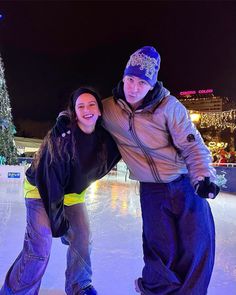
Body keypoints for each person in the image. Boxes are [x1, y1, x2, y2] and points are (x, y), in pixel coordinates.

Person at [101, 46, 220, 294]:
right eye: (130, 79)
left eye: (142, 82)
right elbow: (83, 109)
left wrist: (203, 177)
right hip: (152, 190)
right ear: (123, 77)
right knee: (158, 250)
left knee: (196, 245)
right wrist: (66, 118)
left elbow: (192, 145)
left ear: (152, 84)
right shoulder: (109, 109)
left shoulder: (169, 107)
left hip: (184, 183)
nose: (133, 87)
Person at [0, 88, 120, 295]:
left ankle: (79, 286)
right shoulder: (62, 137)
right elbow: (51, 180)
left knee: (83, 237)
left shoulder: (107, 141)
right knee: (41, 244)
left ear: (100, 110)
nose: (86, 109)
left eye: (91, 104)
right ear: (74, 112)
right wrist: (57, 222)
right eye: (80, 106)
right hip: (40, 189)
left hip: (72, 195)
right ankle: (16, 291)